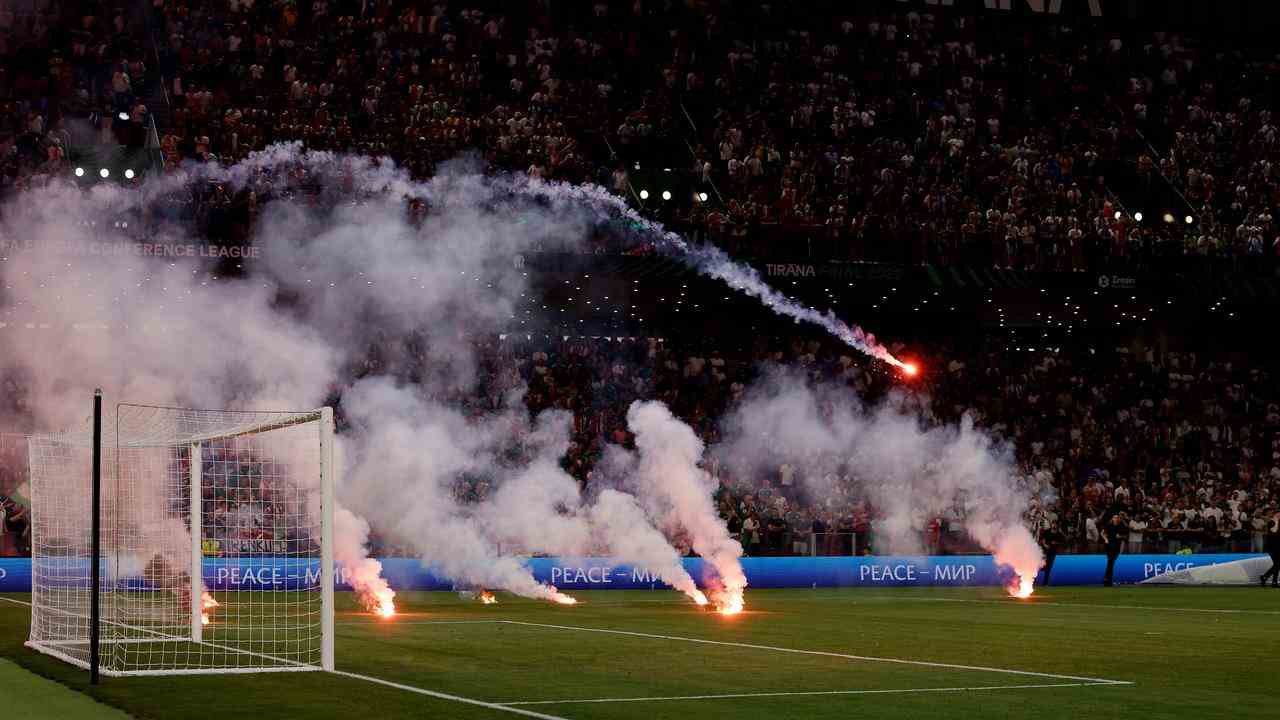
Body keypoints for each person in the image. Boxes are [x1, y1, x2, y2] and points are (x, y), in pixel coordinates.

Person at [1101, 510, 1127, 587]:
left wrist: (1120, 536)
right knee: (1110, 561)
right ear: (1112, 519)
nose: (1116, 519)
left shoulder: (1121, 526)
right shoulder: (1108, 525)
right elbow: (1102, 533)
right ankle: (1107, 578)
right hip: (1109, 546)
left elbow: (1125, 536)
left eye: (1117, 517)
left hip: (1117, 546)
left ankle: (1108, 578)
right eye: (1114, 517)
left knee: (1111, 562)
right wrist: (1106, 539)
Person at [1039, 521, 1064, 586]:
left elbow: (1063, 542)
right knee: (1043, 566)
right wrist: (1045, 545)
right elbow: (1042, 540)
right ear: (1051, 524)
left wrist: (1056, 543)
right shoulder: (1047, 532)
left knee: (1048, 567)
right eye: (1053, 524)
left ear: (1057, 526)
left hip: (1053, 552)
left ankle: (1045, 583)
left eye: (1055, 524)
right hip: (1045, 551)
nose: (1054, 525)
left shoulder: (1059, 534)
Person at [1260, 511, 1280, 588]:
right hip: (1272, 547)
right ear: (1274, 515)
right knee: (1277, 564)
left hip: (1278, 546)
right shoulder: (1272, 522)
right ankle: (1272, 581)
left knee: (1277, 565)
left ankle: (1265, 577)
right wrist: (1276, 521)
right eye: (1278, 514)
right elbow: (1274, 531)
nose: (1279, 516)